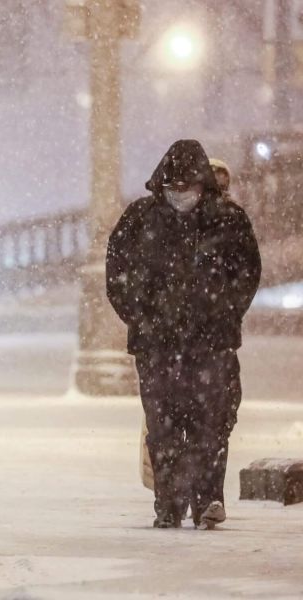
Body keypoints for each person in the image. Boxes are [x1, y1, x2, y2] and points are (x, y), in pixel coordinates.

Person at [107, 140, 261, 529]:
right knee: (164, 426)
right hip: (159, 345)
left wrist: (223, 315)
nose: (181, 197)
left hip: (211, 343)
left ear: (202, 186)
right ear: (162, 186)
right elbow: (117, 276)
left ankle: (208, 499)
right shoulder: (140, 219)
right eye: (174, 189)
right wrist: (141, 319)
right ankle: (169, 503)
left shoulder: (228, 220)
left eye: (188, 189)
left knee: (212, 422)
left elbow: (246, 275)